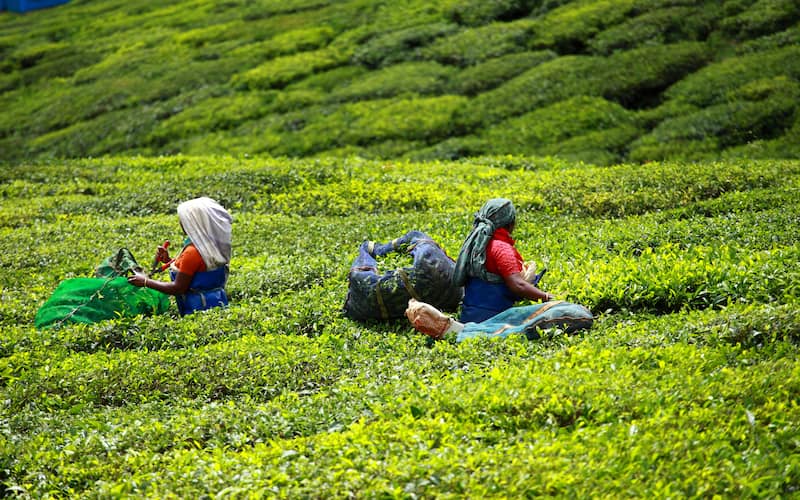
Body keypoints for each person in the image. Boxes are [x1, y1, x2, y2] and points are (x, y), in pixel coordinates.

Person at [451, 198, 553, 324]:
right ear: (510, 224)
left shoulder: (476, 245)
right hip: (496, 320)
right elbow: (518, 285)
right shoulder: (501, 248)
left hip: (469, 317)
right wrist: (546, 297)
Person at [128, 197, 232, 316]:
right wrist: (168, 260)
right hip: (218, 304)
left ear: (194, 223)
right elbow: (198, 269)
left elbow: (178, 288)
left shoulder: (192, 252)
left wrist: (146, 281)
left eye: (184, 220)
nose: (181, 223)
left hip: (196, 309)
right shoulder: (211, 245)